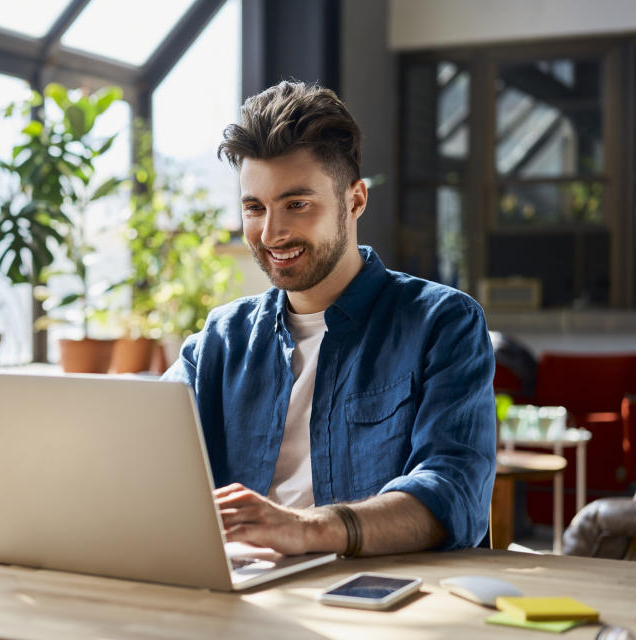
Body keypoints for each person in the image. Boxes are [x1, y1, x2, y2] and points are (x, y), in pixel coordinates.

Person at [162, 81, 496, 557]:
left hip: (378, 600)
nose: (271, 233)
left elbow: (454, 494)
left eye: (297, 204)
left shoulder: (442, 323)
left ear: (355, 200)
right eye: (254, 208)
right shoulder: (219, 340)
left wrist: (307, 529)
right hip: (242, 592)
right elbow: (141, 454)